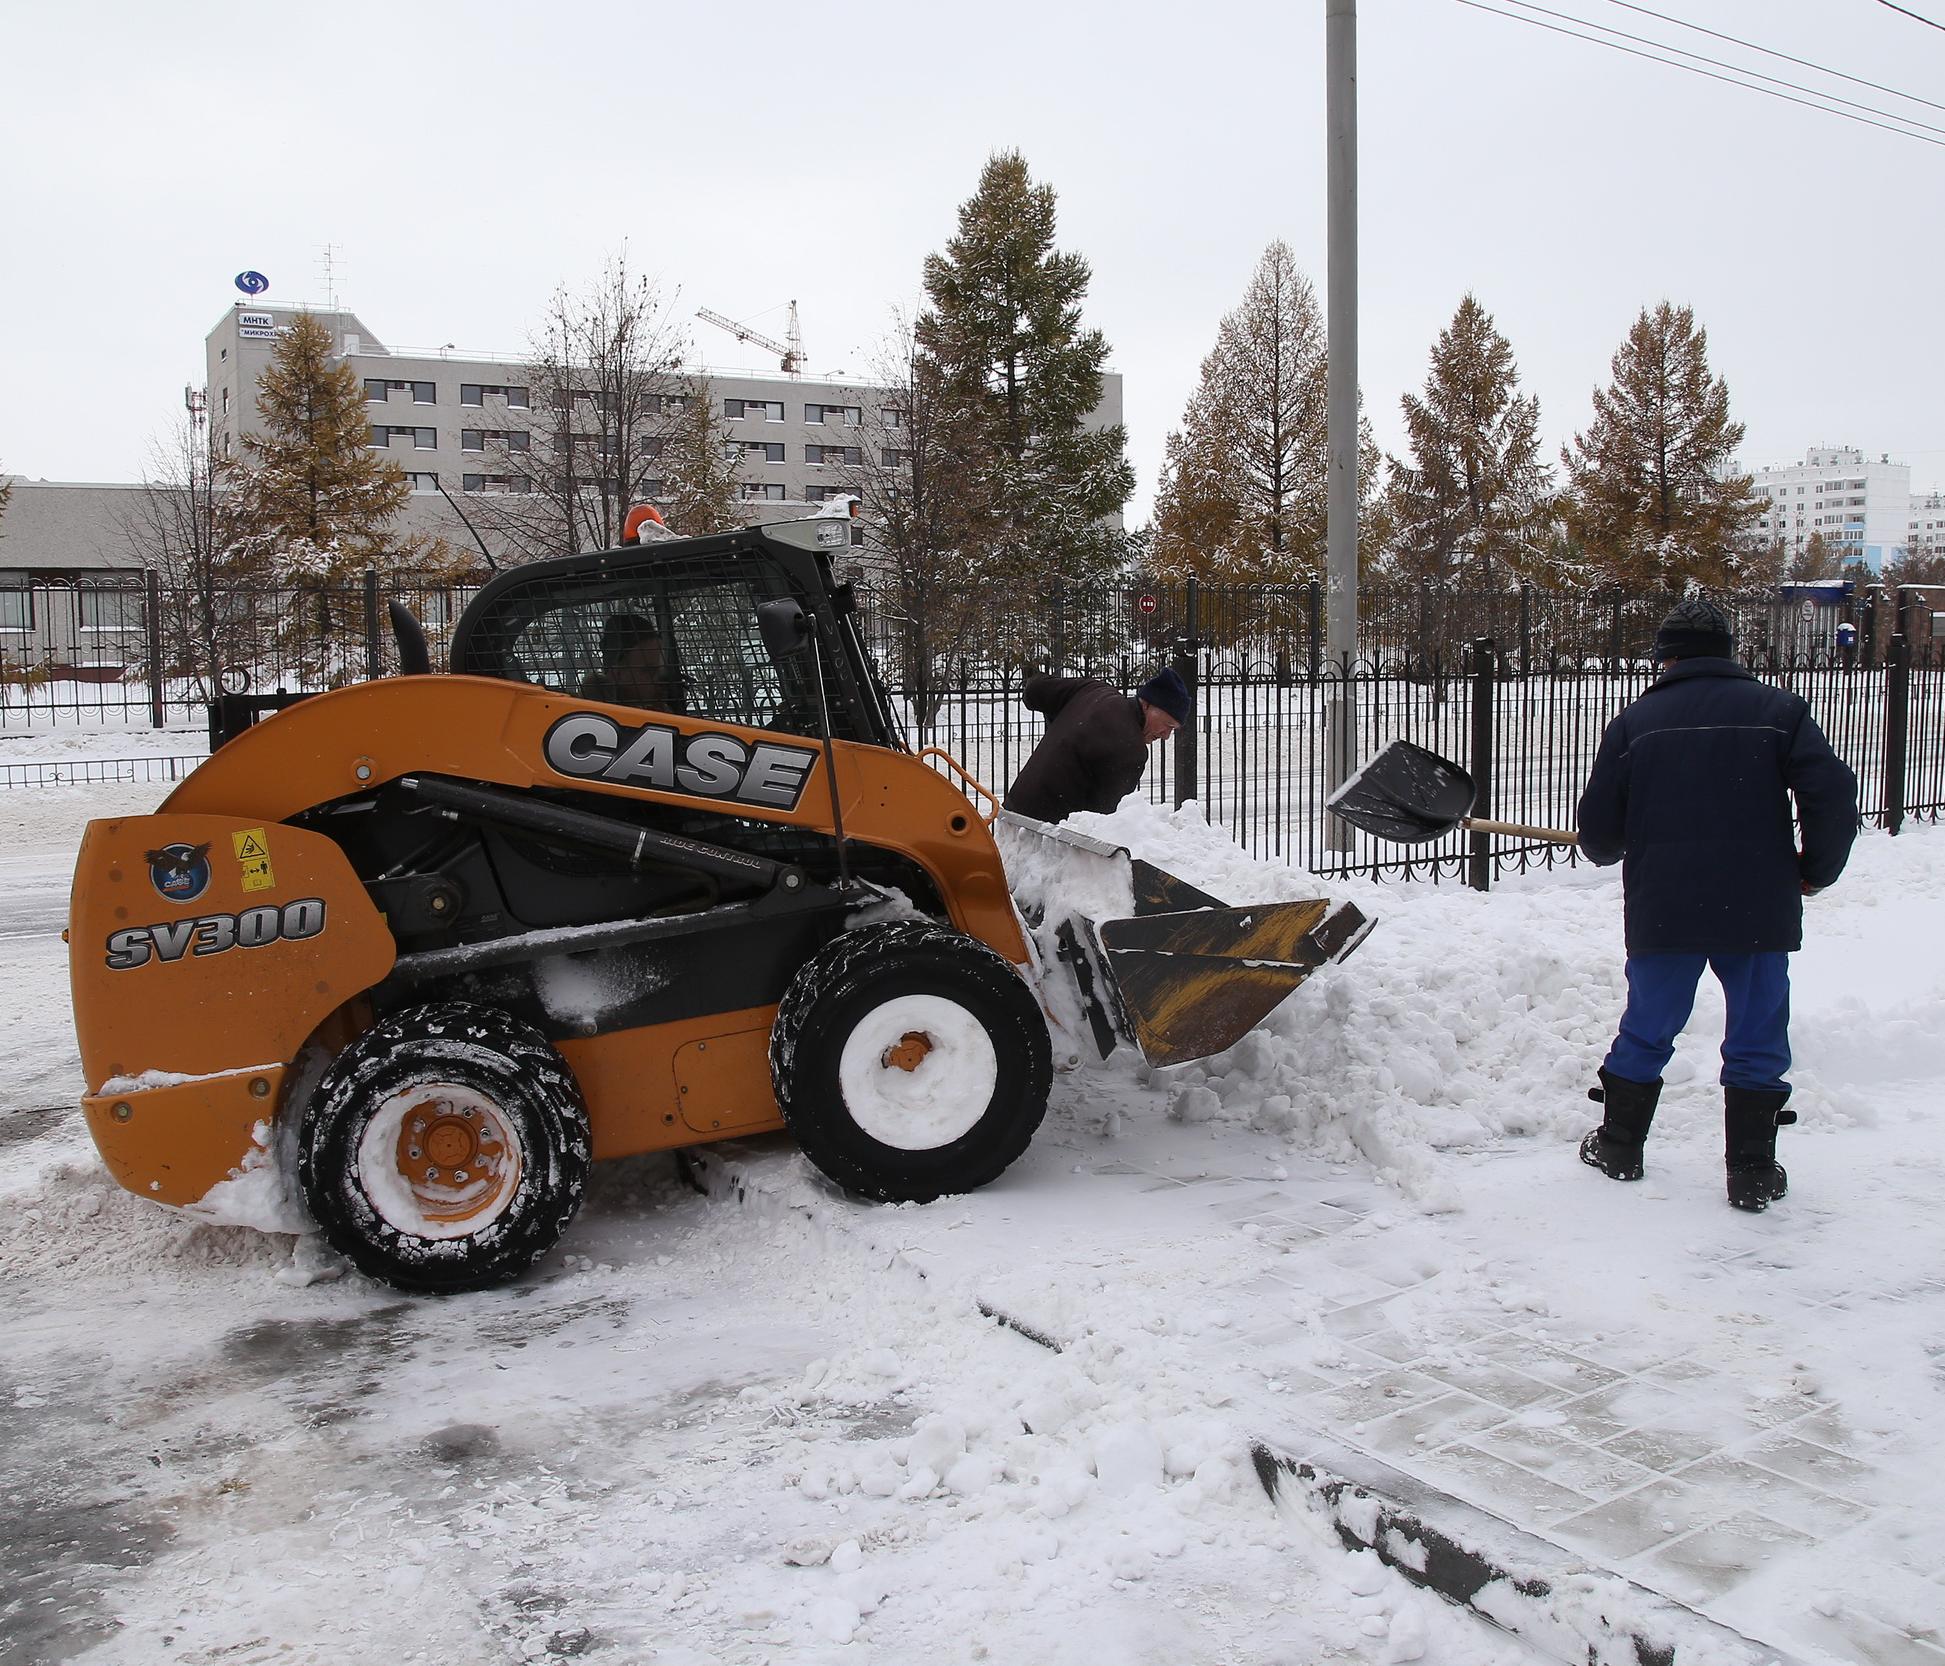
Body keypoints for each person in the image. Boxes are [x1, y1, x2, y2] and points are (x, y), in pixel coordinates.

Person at [1576, 595, 1858, 1212]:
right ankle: (1752, 1171)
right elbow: (1832, 791)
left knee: (1650, 1021)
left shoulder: (1637, 721)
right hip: (1755, 903)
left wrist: (1606, 845)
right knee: (1758, 1028)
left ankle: (1620, 1145)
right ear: (1728, 655)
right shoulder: (1778, 712)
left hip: (1665, 904)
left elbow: (1599, 828)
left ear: (1665, 658)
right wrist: (1815, 870)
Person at [1003, 667, 1190, 825]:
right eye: (1167, 725)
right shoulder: (1131, 751)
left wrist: (1063, 726)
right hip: (1048, 839)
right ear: (1147, 704)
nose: (1166, 736)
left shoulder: (1095, 691)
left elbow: (1035, 690)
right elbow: (1103, 824)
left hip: (1010, 813)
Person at [581, 612, 683, 712]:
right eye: (648, 671)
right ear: (617, 674)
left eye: (661, 671)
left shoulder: (660, 711)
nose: (660, 680)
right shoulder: (591, 715)